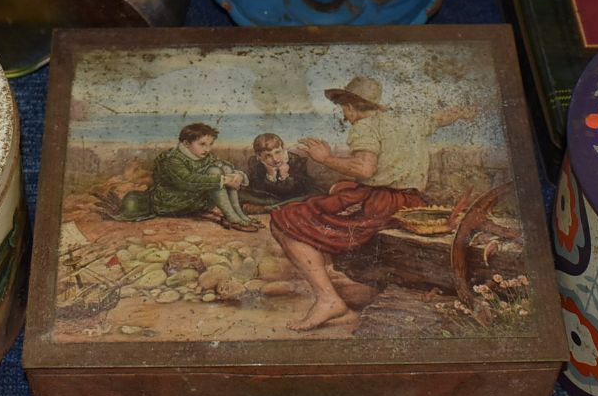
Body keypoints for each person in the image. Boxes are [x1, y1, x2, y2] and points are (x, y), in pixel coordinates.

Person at [269, 76, 474, 331]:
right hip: (413, 200)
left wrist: (325, 158)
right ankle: (332, 277)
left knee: (285, 219)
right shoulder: (410, 120)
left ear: (352, 106)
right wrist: (466, 111)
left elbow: (364, 168)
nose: (344, 115)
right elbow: (442, 118)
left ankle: (328, 299)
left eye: (344, 108)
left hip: (383, 202)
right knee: (336, 192)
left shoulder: (365, 126)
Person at [112, 122, 260, 231]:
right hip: (172, 203)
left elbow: (222, 165)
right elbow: (188, 181)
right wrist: (224, 180)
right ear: (186, 143)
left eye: (210, 144)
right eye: (202, 144)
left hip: (193, 201)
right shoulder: (172, 160)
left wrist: (237, 175)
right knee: (215, 174)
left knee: (225, 168)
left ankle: (239, 215)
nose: (207, 149)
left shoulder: (202, 156)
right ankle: (232, 218)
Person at [241, 132, 315, 210]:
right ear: (259, 156)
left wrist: (285, 176)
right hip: (269, 198)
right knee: (240, 194)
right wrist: (270, 177)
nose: (275, 159)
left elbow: (296, 191)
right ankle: (273, 207)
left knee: (309, 196)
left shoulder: (296, 161)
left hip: (292, 197)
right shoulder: (255, 163)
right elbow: (257, 190)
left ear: (283, 149)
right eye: (268, 155)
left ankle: (270, 207)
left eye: (277, 152)